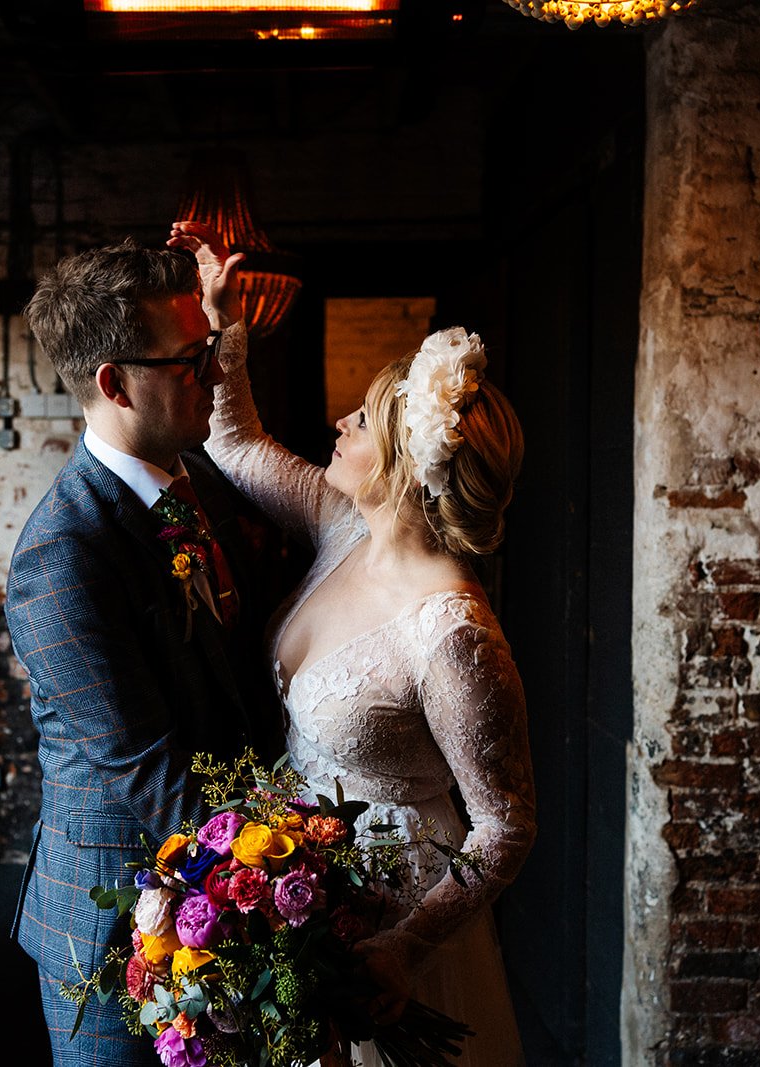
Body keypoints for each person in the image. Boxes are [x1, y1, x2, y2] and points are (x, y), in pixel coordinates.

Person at [170, 220, 538, 1066]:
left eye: (363, 421)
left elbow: (506, 826)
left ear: (406, 465)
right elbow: (234, 442)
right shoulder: (342, 525)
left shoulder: (453, 634)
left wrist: (406, 944)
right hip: (295, 887)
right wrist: (222, 321)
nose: (338, 422)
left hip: (392, 910)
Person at [5, 240, 282, 1066]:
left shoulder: (194, 482)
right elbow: (152, 769)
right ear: (113, 382)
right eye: (193, 359)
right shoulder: (62, 552)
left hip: (215, 890)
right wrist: (298, 881)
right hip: (117, 932)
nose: (216, 374)